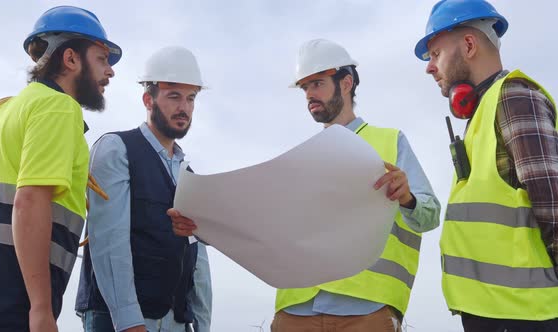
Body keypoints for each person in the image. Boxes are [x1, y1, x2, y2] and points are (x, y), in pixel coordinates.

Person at [169, 38, 441, 332]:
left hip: (366, 310)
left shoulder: (389, 142)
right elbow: (257, 224)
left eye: (318, 84)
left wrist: (408, 198)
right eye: (305, 87)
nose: (310, 94)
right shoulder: (298, 159)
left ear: (346, 83)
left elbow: (429, 215)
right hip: (295, 310)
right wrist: (201, 226)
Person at [0, 5, 120, 332]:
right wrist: (40, 310)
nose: (110, 72)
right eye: (102, 58)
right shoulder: (58, 108)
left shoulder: (3, 111)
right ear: (70, 59)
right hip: (14, 304)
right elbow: (30, 201)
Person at [415, 1, 558, 331]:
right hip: (495, 313)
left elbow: (552, 203)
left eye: (435, 54)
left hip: (525, 315)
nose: (429, 67)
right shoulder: (482, 113)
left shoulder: (514, 97)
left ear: (468, 45)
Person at [75, 46, 212, 332]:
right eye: (174, 96)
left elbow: (196, 257)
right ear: (148, 99)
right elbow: (109, 241)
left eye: (190, 98)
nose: (184, 107)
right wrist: (129, 321)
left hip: (174, 320)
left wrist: (201, 323)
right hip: (117, 320)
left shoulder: (188, 173)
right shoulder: (116, 149)